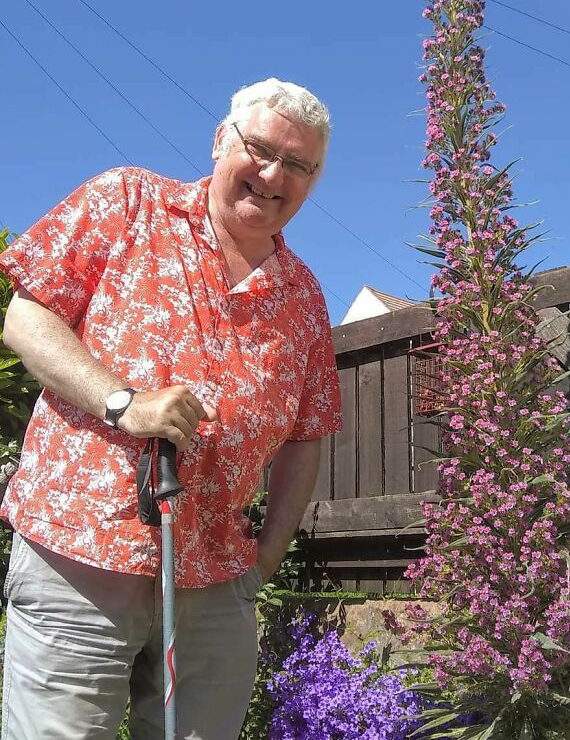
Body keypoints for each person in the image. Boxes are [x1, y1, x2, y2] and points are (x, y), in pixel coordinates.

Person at [0, 78, 342, 740]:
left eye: (298, 164)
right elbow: (25, 317)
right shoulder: (129, 200)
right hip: (81, 555)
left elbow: (310, 432)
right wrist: (122, 401)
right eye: (261, 148)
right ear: (221, 141)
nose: (275, 174)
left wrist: (264, 560)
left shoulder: (305, 297)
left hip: (215, 579)